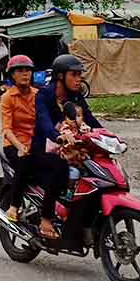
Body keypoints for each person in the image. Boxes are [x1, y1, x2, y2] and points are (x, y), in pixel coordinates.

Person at [29, 53, 103, 241]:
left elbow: (90, 118)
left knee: (95, 173)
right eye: (74, 75)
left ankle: (85, 221)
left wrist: (107, 136)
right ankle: (46, 218)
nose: (79, 79)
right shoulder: (44, 95)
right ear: (61, 76)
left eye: (80, 75)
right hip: (44, 148)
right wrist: (58, 136)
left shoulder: (75, 96)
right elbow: (44, 121)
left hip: (71, 148)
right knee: (59, 169)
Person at [0, 54, 37, 223]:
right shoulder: (8, 98)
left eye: (28, 70)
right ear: (12, 74)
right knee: (25, 163)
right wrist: (19, 147)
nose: (25, 74)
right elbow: (7, 129)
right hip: (13, 144)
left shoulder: (38, 95)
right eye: (20, 71)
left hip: (35, 143)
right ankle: (13, 207)